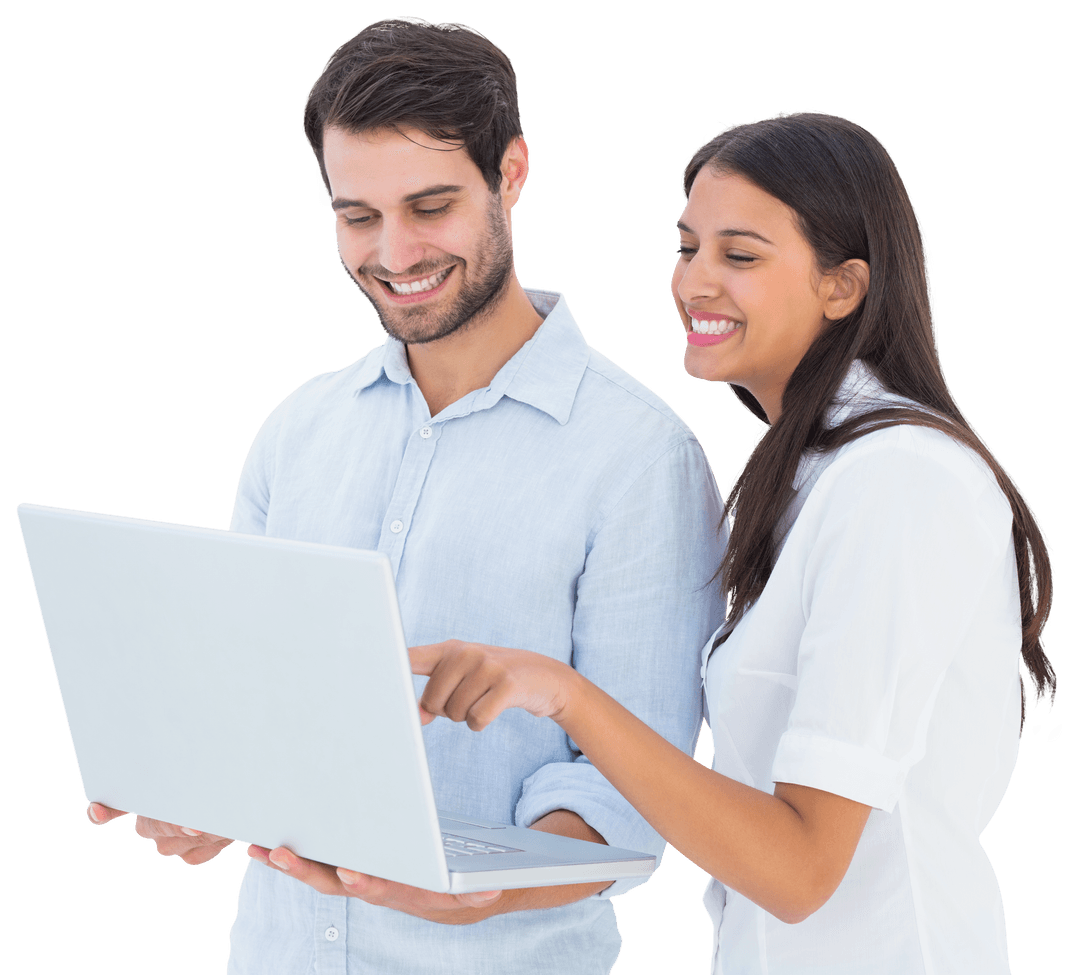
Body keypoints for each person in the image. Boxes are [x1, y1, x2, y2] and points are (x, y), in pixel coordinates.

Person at [86, 16, 726, 975]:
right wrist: (205, 787)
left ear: (509, 173)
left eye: (431, 205)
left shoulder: (642, 458)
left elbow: (632, 795)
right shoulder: (298, 431)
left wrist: (484, 886)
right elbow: (257, 703)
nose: (395, 252)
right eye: (357, 216)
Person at [411, 110, 1057, 973]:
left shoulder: (900, 480)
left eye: (740, 256)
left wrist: (564, 693)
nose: (695, 282)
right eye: (688, 248)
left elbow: (799, 870)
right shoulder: (804, 476)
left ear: (844, 285)